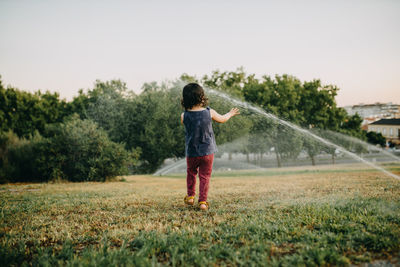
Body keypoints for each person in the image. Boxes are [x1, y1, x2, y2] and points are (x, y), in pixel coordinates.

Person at [180, 83, 240, 210]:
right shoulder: (209, 112)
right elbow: (223, 119)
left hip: (191, 153)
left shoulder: (183, 115)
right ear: (202, 98)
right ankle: (202, 202)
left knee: (191, 173)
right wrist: (230, 113)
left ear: (185, 99)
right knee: (204, 177)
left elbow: (186, 124)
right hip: (207, 152)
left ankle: (190, 196)